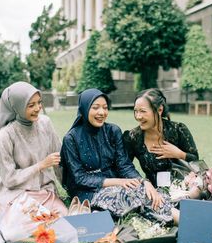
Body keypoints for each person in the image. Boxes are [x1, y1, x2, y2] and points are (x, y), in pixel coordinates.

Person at [61, 88, 179, 224]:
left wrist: (143, 182)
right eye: (95, 108)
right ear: (84, 108)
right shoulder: (71, 138)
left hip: (117, 185)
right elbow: (79, 178)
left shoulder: (113, 131)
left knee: (147, 191)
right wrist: (118, 182)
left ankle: (178, 218)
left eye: (105, 108)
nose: (102, 112)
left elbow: (124, 165)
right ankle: (182, 220)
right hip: (88, 192)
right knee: (133, 196)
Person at [0, 81, 68, 220]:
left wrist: (68, 186)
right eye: (31, 105)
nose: (38, 108)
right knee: (32, 219)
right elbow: (9, 179)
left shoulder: (45, 123)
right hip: (16, 192)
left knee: (60, 216)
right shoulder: (5, 135)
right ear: (16, 107)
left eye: (39, 102)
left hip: (43, 189)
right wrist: (41, 165)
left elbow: (59, 160)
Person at [123, 88, 200, 199]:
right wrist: (143, 182)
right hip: (152, 195)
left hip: (183, 191)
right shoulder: (133, 137)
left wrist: (179, 154)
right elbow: (125, 167)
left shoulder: (178, 130)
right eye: (136, 111)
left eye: (143, 111)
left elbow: (197, 162)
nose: (138, 116)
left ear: (159, 110)